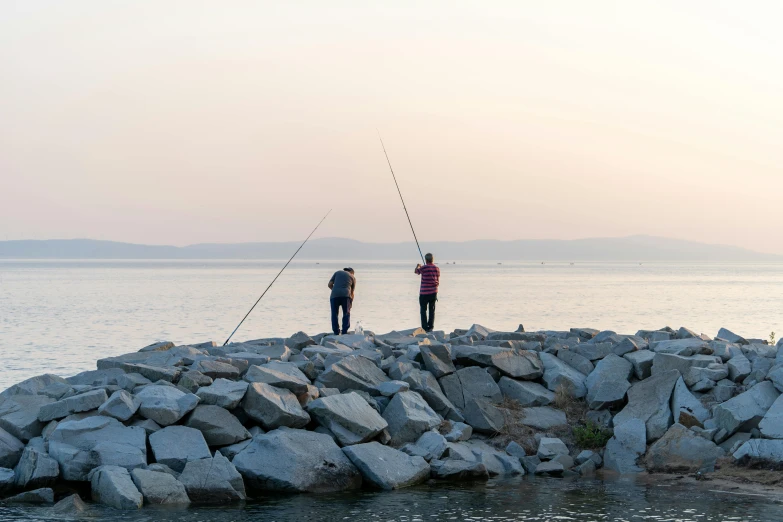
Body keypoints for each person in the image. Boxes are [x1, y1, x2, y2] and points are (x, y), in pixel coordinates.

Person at [414, 253, 440, 332]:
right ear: (432, 259)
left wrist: (418, 266)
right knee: (432, 310)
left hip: (424, 293)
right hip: (434, 292)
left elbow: (416, 271)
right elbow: (437, 279)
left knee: (423, 310)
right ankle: (431, 327)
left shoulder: (423, 268)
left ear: (426, 260)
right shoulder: (437, 268)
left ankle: (424, 328)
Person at [328, 267, 355, 335]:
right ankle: (344, 331)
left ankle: (336, 331)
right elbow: (352, 292)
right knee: (346, 313)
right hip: (346, 295)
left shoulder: (337, 272)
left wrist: (335, 290)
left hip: (334, 295)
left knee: (334, 313)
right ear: (352, 272)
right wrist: (351, 303)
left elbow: (329, 285)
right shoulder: (352, 277)